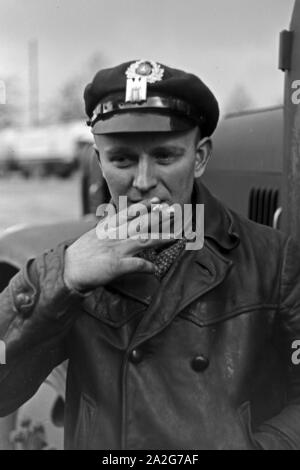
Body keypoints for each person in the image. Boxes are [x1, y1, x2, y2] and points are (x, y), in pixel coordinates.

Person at [0, 60, 300, 450]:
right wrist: (63, 275)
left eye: (165, 157)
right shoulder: (72, 267)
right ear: (99, 162)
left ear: (200, 157)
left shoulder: (271, 260)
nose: (143, 183)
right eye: (122, 159)